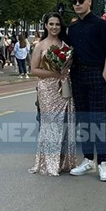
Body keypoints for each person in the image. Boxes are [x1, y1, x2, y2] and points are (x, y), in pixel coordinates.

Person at [67, 0, 106, 182]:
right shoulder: (74, 28)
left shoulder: (101, 25)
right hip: (77, 76)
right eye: (74, 2)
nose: (77, 4)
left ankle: (103, 163)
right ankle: (88, 160)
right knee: (85, 120)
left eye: (81, 0)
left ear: (89, 2)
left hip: (96, 74)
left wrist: (104, 76)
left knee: (98, 120)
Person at [29, 12, 78, 176]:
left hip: (63, 86)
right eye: (51, 24)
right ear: (45, 26)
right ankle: (49, 163)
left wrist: (64, 71)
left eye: (57, 24)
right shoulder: (40, 45)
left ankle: (64, 162)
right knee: (50, 125)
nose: (54, 27)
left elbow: (71, 64)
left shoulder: (66, 45)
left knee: (65, 123)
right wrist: (54, 74)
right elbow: (34, 70)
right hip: (47, 88)